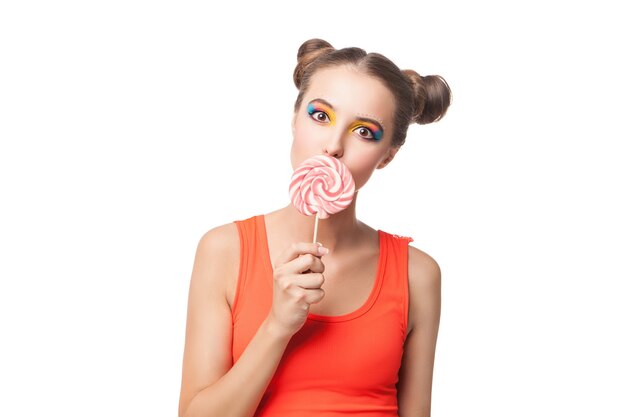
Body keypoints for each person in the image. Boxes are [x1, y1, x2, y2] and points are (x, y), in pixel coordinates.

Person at [178, 38, 451, 417]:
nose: (334, 146)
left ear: (388, 155)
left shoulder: (417, 274)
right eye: (320, 116)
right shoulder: (224, 251)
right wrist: (277, 325)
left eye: (364, 131)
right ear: (294, 119)